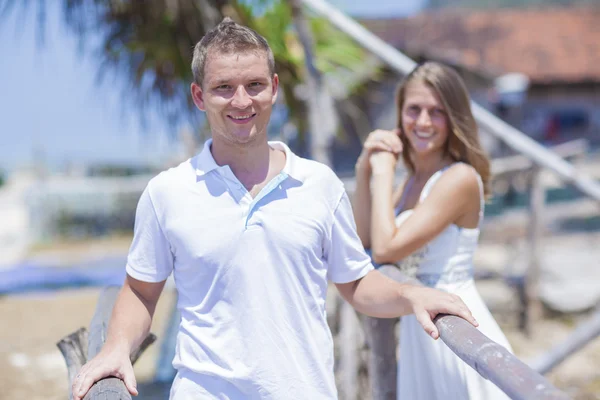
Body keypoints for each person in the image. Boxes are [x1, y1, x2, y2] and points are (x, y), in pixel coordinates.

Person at [71, 21, 477, 400]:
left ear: (275, 88)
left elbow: (356, 284)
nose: (242, 100)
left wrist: (412, 294)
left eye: (254, 85)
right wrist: (116, 348)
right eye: (224, 87)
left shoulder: (319, 185)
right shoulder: (167, 192)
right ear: (199, 96)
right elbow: (141, 292)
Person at [353, 61, 513, 400]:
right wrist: (364, 167)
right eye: (414, 110)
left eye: (437, 111)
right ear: (400, 114)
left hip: (455, 321)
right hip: (421, 326)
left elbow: (384, 249)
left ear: (454, 117)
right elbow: (363, 241)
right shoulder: (412, 183)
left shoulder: (458, 178)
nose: (423, 122)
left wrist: (384, 173)